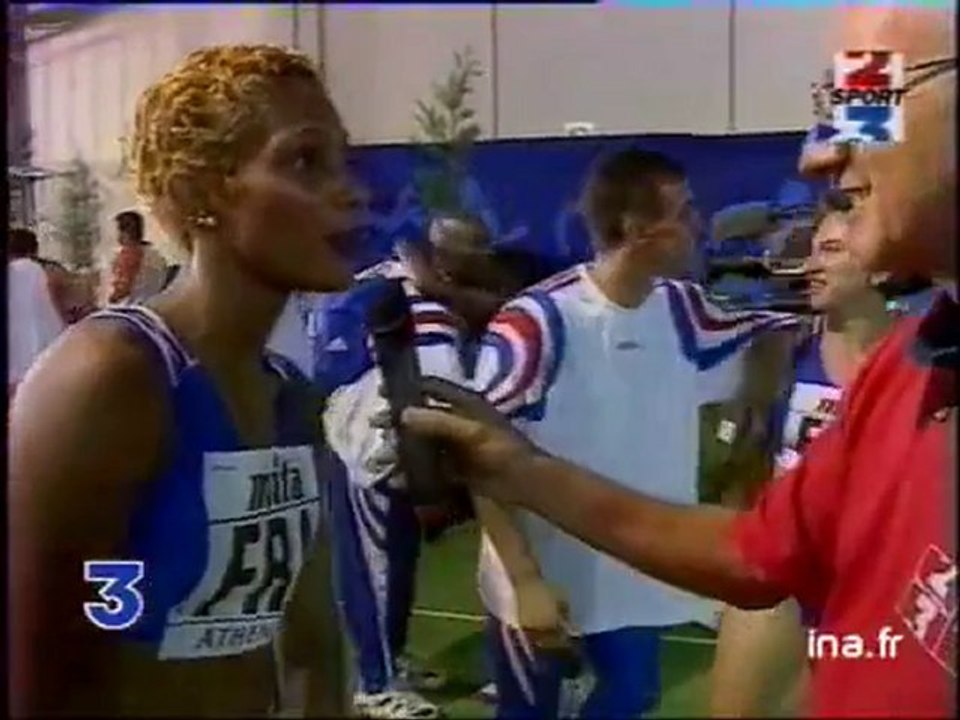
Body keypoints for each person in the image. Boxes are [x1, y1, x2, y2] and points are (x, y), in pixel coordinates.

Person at [399, 7, 956, 717]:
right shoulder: (903, 372)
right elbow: (757, 553)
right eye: (834, 106)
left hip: (629, 598)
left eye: (866, 104)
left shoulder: (724, 324)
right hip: (560, 590)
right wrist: (517, 484)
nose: (820, 157)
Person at [10, 44, 358, 716]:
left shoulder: (291, 397)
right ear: (206, 192)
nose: (349, 190)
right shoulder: (110, 378)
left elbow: (312, 645)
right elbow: (41, 673)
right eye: (306, 160)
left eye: (345, 161)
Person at [461, 149, 798, 720]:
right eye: (684, 211)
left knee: (633, 695)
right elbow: (476, 449)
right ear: (638, 228)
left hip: (634, 566)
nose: (699, 225)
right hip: (543, 577)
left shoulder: (686, 309)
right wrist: (524, 579)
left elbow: (774, 333)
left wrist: (751, 428)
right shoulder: (537, 321)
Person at [316, 213, 519, 719]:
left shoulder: (413, 286)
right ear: (447, 256)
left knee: (398, 567)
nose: (483, 264)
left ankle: (392, 659)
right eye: (475, 252)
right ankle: (374, 682)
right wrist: (437, 481)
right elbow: (428, 396)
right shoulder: (420, 303)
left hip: (391, 445)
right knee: (376, 569)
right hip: (373, 448)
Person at [709, 203, 900, 717]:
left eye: (831, 250)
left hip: (876, 594)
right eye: (812, 250)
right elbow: (740, 476)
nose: (811, 265)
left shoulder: (921, 360)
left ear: (880, 267)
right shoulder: (777, 356)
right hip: (780, 588)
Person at [7, 227, 66, 397]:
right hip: (48, 340)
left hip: (15, 346)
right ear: (34, 248)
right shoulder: (50, 270)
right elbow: (62, 303)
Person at [106, 209, 170, 304]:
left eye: (115, 230)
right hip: (156, 303)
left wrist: (109, 300)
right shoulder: (154, 254)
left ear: (124, 232)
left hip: (134, 306)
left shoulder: (129, 254)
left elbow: (122, 288)